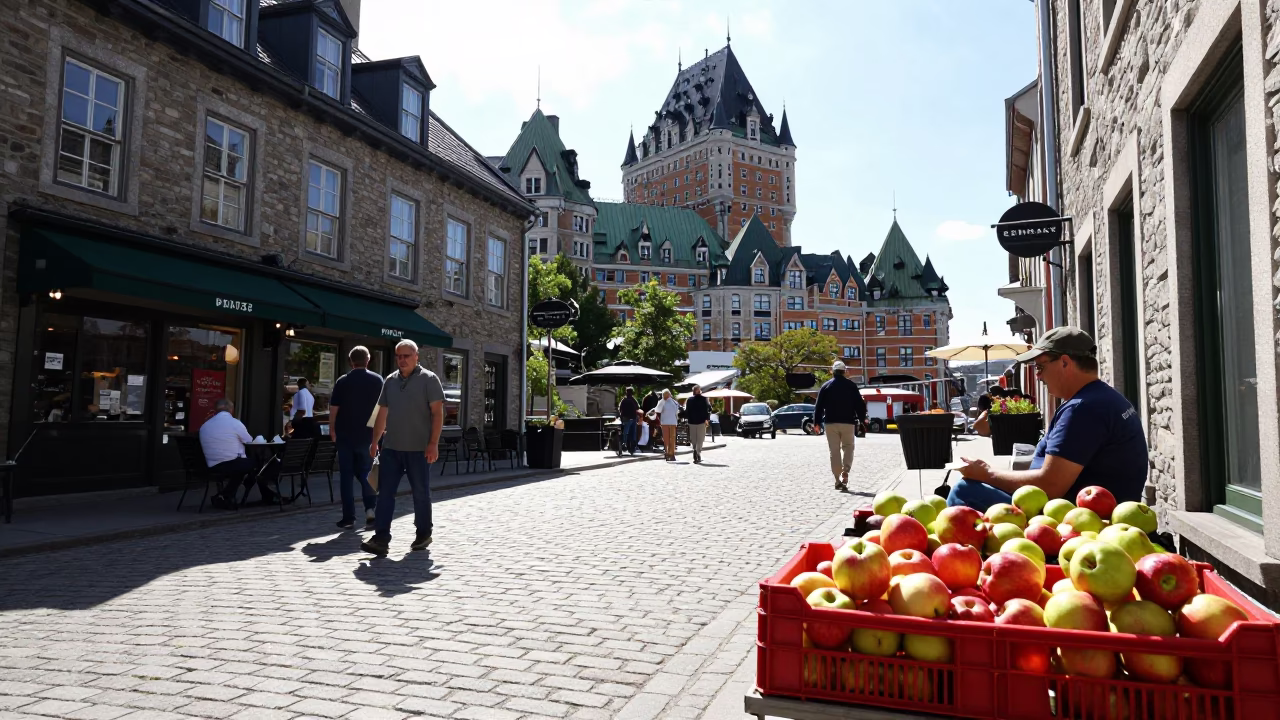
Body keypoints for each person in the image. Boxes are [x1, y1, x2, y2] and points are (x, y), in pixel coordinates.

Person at [950, 326, 1149, 510]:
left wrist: (987, 474)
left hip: (1076, 517)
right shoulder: (1105, 398)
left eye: (1040, 367)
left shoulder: (1083, 409)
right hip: (1088, 509)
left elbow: (1050, 487)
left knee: (964, 490)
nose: (1038, 376)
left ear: (1064, 362)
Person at [361, 339, 446, 556]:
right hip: (392, 449)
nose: (402, 360)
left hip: (419, 449)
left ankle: (423, 534)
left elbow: (437, 414)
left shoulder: (429, 379)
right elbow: (382, 413)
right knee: (385, 493)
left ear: (416, 356)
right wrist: (375, 441)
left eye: (406, 355)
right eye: (399, 356)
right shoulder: (390, 381)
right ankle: (381, 538)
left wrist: (433, 443)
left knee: (420, 493)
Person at [329, 345, 384, 529]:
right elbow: (383, 410)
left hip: (345, 434)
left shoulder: (342, 381)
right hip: (368, 435)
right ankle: (370, 510)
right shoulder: (378, 381)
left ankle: (348, 517)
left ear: (351, 361)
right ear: (368, 360)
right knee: (368, 474)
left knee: (346, 476)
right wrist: (381, 432)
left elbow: (334, 408)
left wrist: (332, 430)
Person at [199, 398, 279, 509]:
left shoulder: (205, 426)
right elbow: (250, 442)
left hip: (211, 465)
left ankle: (227, 494)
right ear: (231, 410)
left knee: (250, 467)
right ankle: (266, 494)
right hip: (230, 464)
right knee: (261, 464)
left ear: (215, 410)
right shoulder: (235, 423)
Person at [813, 360, 868, 491]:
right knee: (848, 448)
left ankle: (837, 480)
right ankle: (846, 471)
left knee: (834, 451)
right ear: (844, 372)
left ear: (832, 371)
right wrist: (863, 419)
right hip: (848, 423)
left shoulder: (826, 386)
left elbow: (818, 406)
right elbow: (859, 405)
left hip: (830, 423)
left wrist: (816, 422)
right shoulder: (851, 386)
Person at [683, 385, 712, 464]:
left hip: (691, 421)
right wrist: (707, 419)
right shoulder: (704, 399)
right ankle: (697, 452)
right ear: (699, 391)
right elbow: (709, 409)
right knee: (701, 438)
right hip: (701, 421)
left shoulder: (689, 400)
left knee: (694, 438)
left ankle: (695, 449)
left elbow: (687, 411)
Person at [655, 389, 681, 461]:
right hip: (673, 422)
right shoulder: (675, 402)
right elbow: (677, 413)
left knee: (666, 439)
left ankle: (667, 453)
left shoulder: (662, 402)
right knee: (672, 439)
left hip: (665, 423)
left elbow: (657, 410)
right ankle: (672, 454)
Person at [618, 387, 640, 455]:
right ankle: (633, 447)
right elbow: (638, 407)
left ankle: (624, 443)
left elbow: (620, 408)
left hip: (626, 418)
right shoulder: (633, 400)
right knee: (633, 433)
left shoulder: (624, 400)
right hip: (633, 418)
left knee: (625, 432)